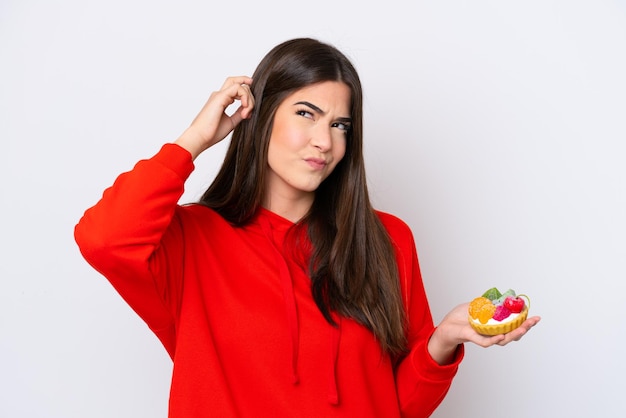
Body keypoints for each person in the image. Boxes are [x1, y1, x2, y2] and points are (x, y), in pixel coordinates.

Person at [74, 37, 540, 418]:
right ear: (257, 116)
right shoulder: (191, 240)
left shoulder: (386, 240)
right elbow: (103, 238)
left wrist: (441, 343)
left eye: (340, 124)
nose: (325, 141)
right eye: (305, 113)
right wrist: (194, 140)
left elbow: (396, 407)